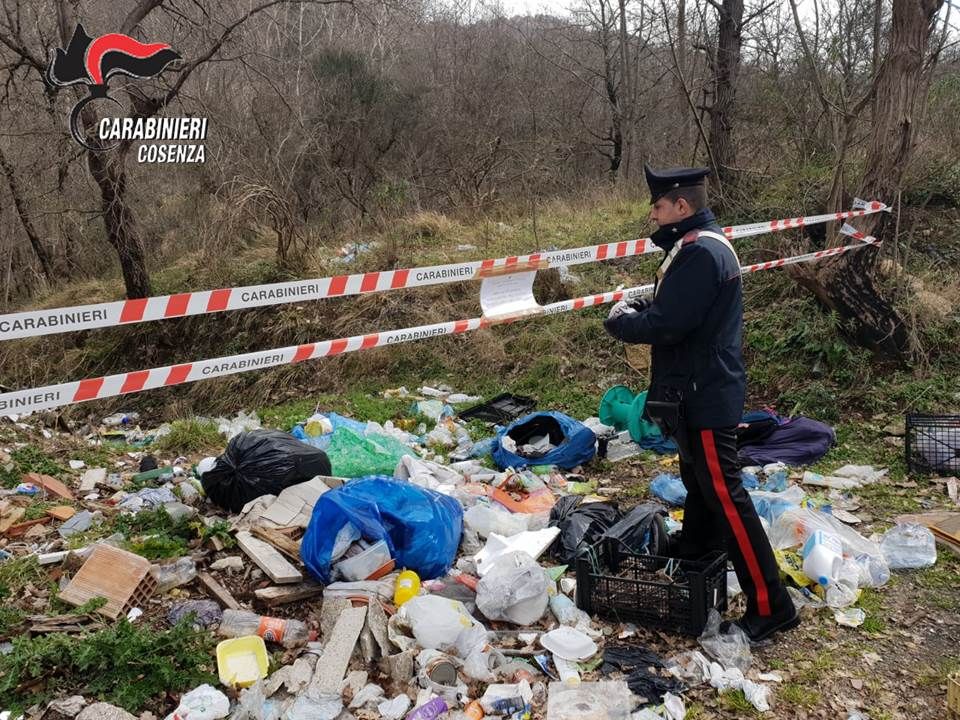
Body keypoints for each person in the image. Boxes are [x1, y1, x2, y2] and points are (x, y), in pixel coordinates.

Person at [603, 164, 799, 642]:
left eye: (658, 206)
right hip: (698, 389)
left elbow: (670, 324)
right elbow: (679, 311)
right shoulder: (699, 246)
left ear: (681, 207)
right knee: (699, 480)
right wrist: (642, 309)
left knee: (727, 496)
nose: (652, 214)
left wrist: (622, 321)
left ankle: (772, 605)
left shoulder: (701, 253)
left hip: (705, 392)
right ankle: (695, 547)